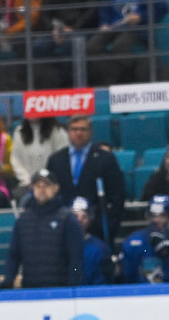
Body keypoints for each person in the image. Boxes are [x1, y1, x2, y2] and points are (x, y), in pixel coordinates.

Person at [45, 115, 125, 247]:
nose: (79, 133)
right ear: (68, 131)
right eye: (74, 129)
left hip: (97, 229)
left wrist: (108, 226)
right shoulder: (56, 159)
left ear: (91, 132)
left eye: (83, 129)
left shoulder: (106, 159)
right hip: (63, 229)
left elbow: (117, 195)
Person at [5, 169, 83, 288]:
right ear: (32, 188)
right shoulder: (23, 220)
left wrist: (73, 287)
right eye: (38, 186)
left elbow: (76, 257)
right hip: (30, 289)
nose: (42, 190)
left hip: (61, 289)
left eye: (47, 185)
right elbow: (13, 254)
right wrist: (8, 281)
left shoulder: (68, 219)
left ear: (56, 188)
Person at [89, 0, 165, 86]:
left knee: (120, 46)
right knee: (92, 47)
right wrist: (104, 23)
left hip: (137, 28)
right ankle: (113, 77)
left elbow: (160, 8)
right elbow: (105, 7)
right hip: (114, 26)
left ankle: (129, 78)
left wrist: (141, 17)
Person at [122, 194, 169, 283]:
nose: (156, 220)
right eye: (153, 216)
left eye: (162, 216)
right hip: (142, 290)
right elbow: (128, 274)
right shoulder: (134, 241)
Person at [11, 117, 67, 200]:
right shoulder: (19, 132)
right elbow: (16, 160)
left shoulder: (58, 131)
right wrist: (29, 180)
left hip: (52, 183)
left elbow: (62, 159)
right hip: (27, 183)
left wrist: (47, 181)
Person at [67, 197, 114, 285]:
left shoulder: (99, 248)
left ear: (90, 219)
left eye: (84, 216)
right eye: (75, 216)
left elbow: (103, 281)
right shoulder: (59, 245)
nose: (79, 220)